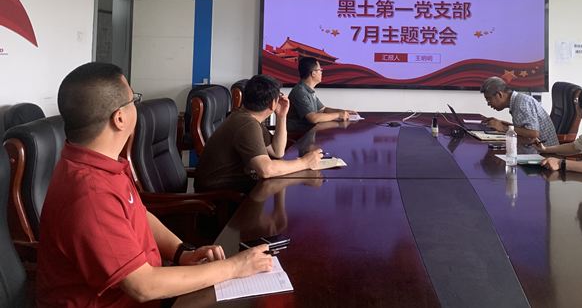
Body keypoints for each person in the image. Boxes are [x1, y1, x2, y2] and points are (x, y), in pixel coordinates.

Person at [37, 62, 273, 308]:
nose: (137, 106)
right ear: (120, 118)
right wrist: (235, 267)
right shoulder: (91, 193)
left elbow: (139, 214)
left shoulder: (99, 162)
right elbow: (143, 286)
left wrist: (182, 253)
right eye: (134, 100)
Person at [194, 74, 324, 192]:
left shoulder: (247, 117)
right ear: (272, 104)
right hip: (220, 195)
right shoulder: (247, 124)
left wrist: (281, 116)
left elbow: (277, 151)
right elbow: (266, 170)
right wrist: (304, 163)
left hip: (232, 185)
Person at [479, 76, 558, 153]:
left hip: (545, 155)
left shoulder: (521, 104)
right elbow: (525, 128)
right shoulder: (517, 101)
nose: (488, 104)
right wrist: (504, 124)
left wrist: (503, 128)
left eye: (488, 99)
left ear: (499, 94)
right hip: (534, 151)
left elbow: (533, 133)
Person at [286, 57, 356, 132]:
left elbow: (323, 110)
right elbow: (313, 118)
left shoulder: (308, 90)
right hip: (298, 136)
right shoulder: (300, 92)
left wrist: (344, 112)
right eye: (320, 70)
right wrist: (338, 115)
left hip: (308, 134)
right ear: (313, 73)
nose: (321, 72)